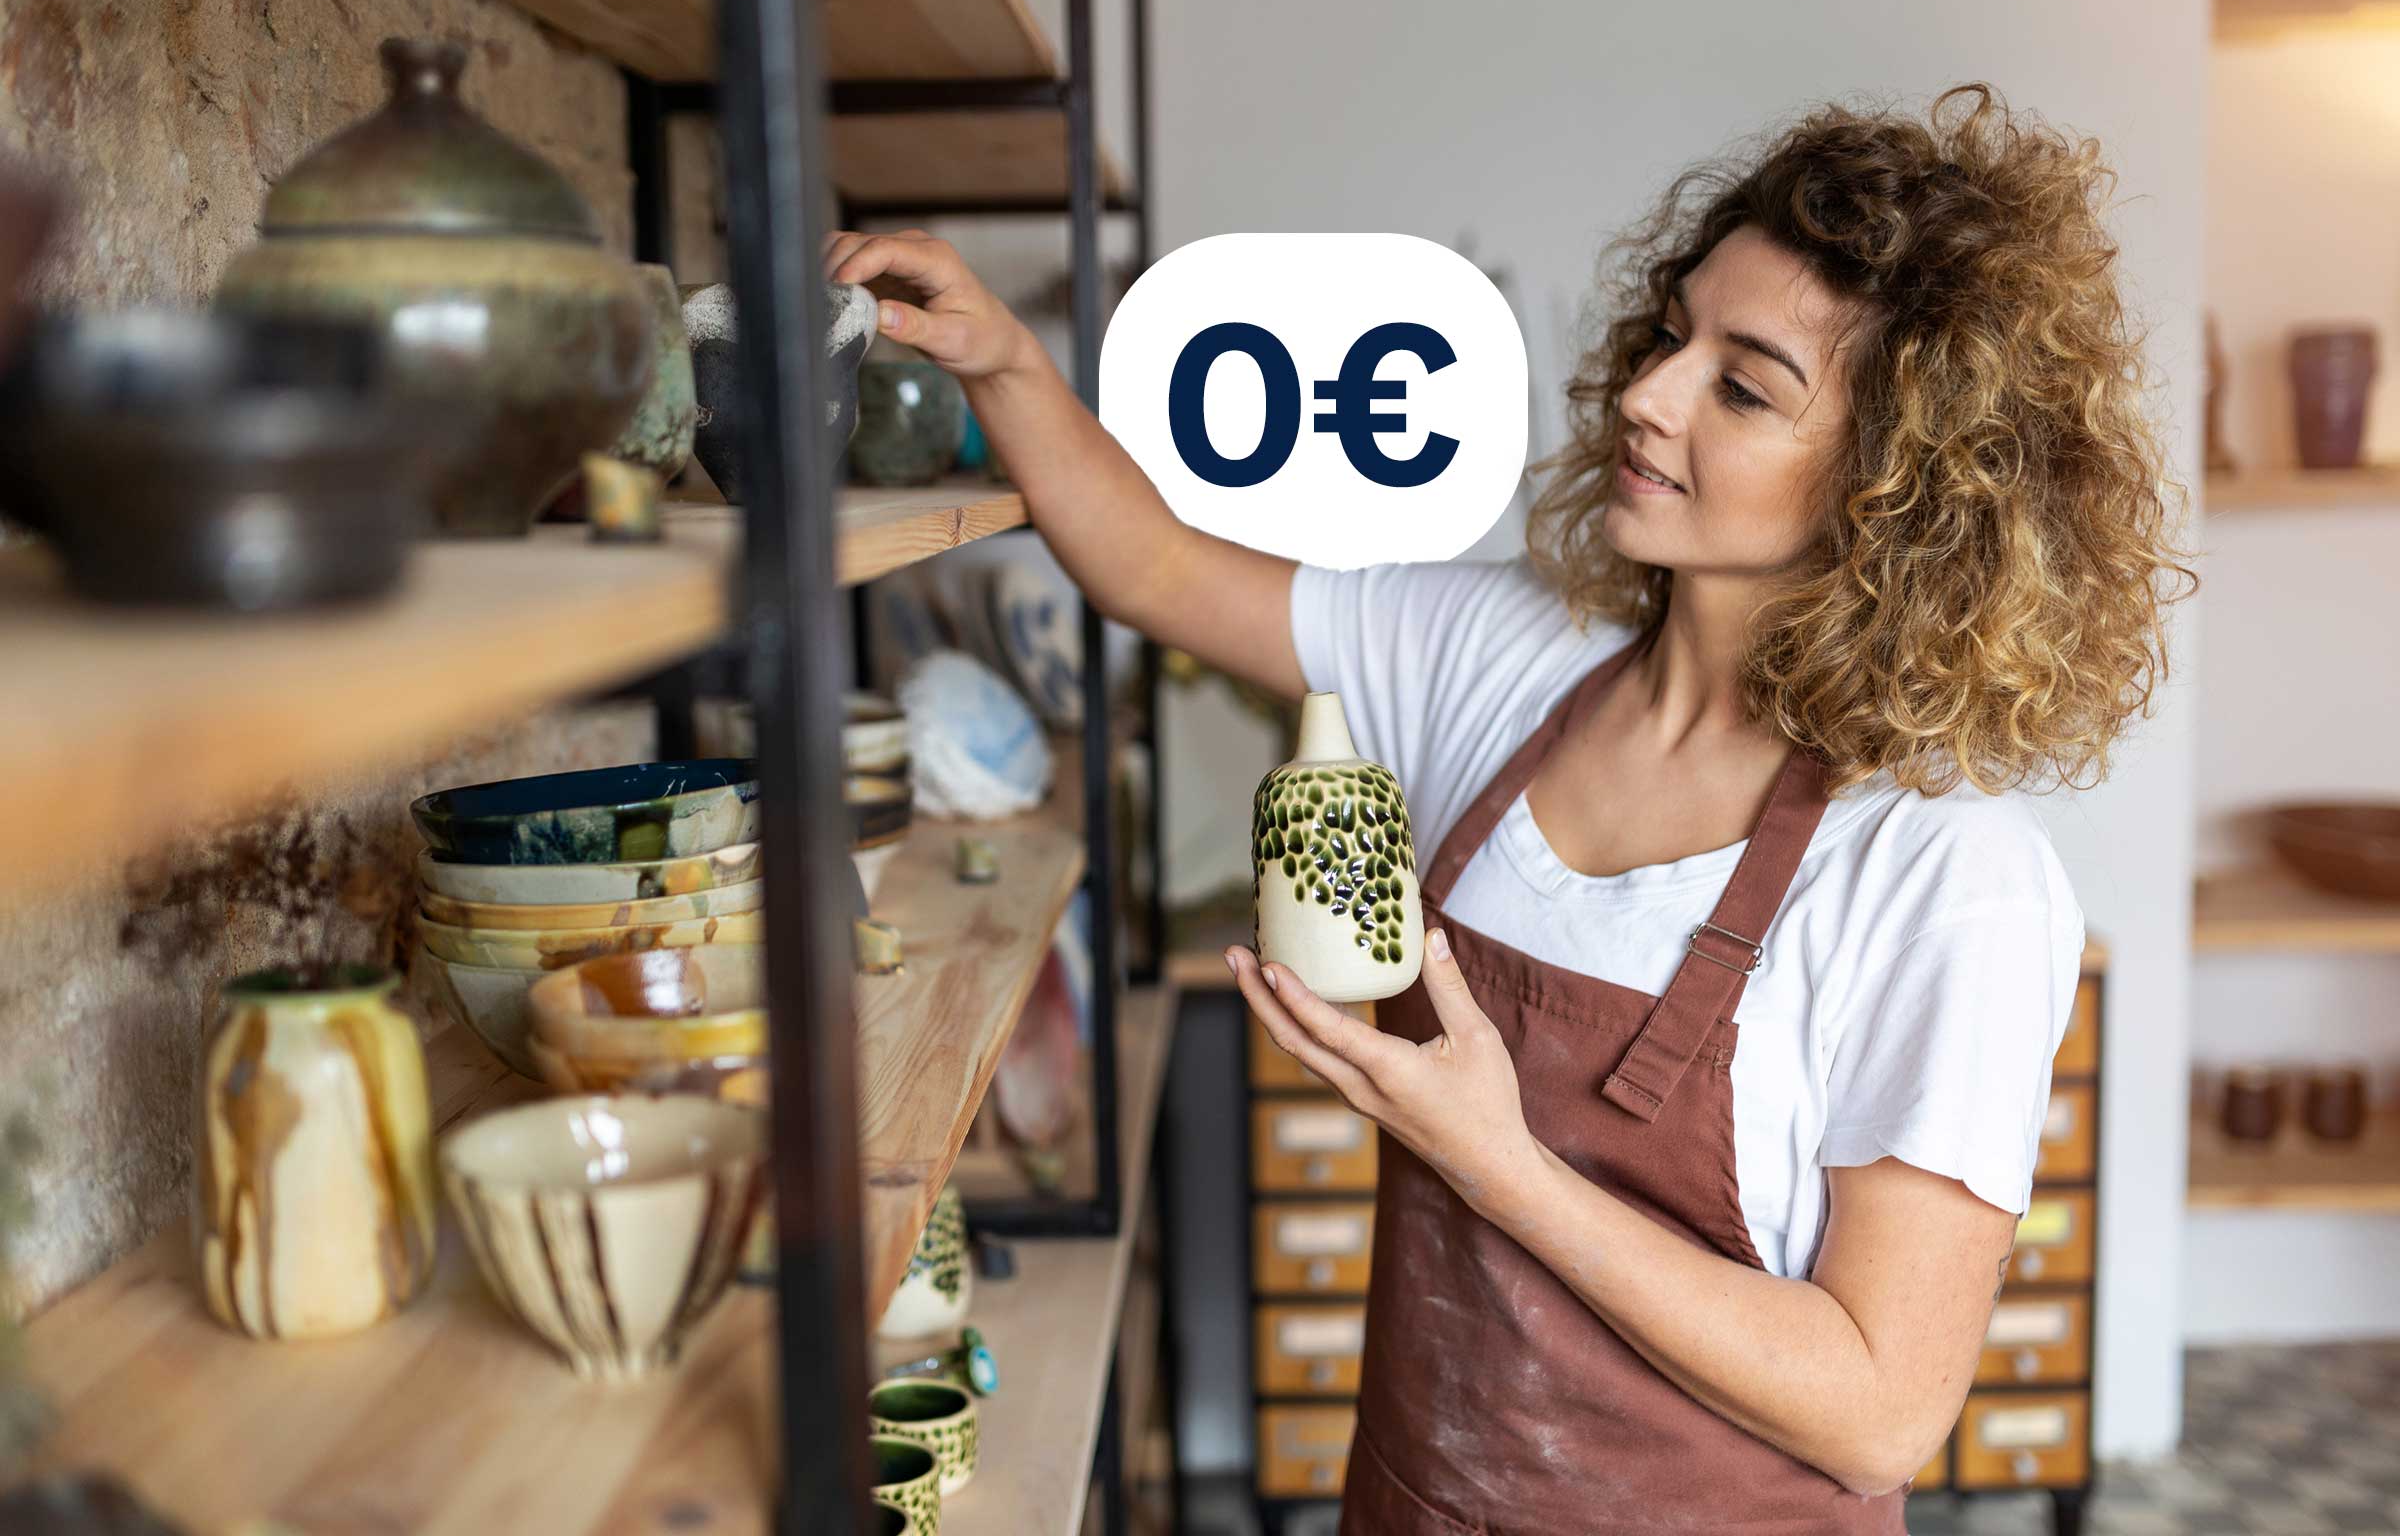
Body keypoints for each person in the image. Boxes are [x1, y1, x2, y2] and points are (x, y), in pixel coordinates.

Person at [825, 82, 2193, 1533]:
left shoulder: (1940, 872)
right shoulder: (1501, 662)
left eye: (1744, 386)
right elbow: (1159, 572)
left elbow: (1880, 1411)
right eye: (1675, 334)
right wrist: (1006, 367)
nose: (1651, 395)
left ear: (1894, 488)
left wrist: (1498, 1164)